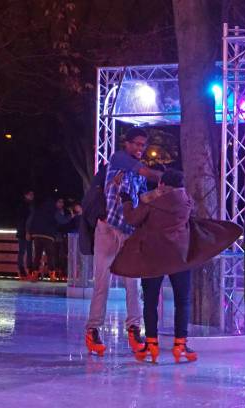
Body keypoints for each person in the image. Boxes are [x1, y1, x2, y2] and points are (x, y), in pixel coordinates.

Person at [85, 127, 162, 356]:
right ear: (126, 144)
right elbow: (149, 174)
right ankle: (93, 329)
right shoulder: (118, 159)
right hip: (108, 229)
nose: (140, 149)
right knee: (102, 282)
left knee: (133, 284)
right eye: (136, 144)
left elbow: (141, 199)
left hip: (129, 232)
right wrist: (165, 177)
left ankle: (134, 328)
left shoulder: (138, 172)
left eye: (142, 146)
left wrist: (161, 194)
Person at [118, 169, 196, 363]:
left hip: (153, 257)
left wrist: (127, 201)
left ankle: (151, 344)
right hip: (180, 257)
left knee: (151, 301)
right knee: (182, 301)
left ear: (161, 185)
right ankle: (180, 344)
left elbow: (133, 219)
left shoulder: (152, 203)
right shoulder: (187, 202)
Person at [27, 198, 59, 282]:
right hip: (48, 236)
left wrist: (29, 232)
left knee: (37, 256)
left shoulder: (38, 210)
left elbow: (31, 220)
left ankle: (35, 275)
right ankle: (52, 275)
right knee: (50, 256)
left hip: (37, 234)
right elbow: (59, 221)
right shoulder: (53, 211)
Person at [16, 189, 34, 280]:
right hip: (23, 232)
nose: (32, 196)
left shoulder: (30, 206)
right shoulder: (24, 206)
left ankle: (28, 269)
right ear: (26, 195)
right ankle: (22, 269)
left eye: (32, 195)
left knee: (28, 251)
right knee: (23, 251)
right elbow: (23, 220)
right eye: (30, 194)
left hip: (26, 232)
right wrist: (26, 231)